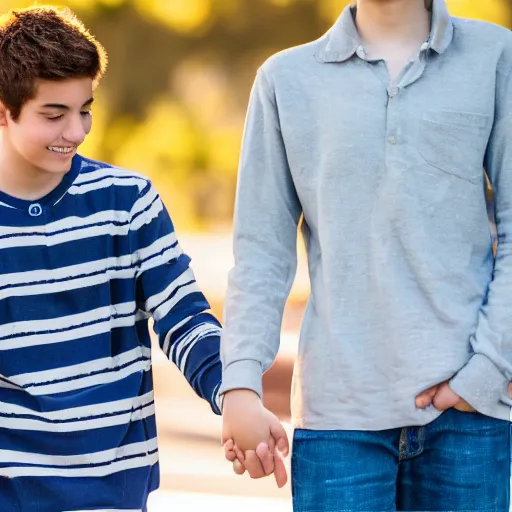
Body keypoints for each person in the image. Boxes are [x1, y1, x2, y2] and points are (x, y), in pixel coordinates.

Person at [220, 0, 512, 510]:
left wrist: (488, 370)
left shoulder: (495, 56)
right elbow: (261, 250)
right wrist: (241, 383)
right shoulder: (285, 80)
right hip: (337, 419)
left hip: (468, 415)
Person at [0, 6, 223, 511]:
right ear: (3, 109)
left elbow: (185, 319)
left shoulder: (128, 202)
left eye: (85, 109)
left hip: (113, 491)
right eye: (54, 115)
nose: (76, 131)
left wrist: (234, 395)